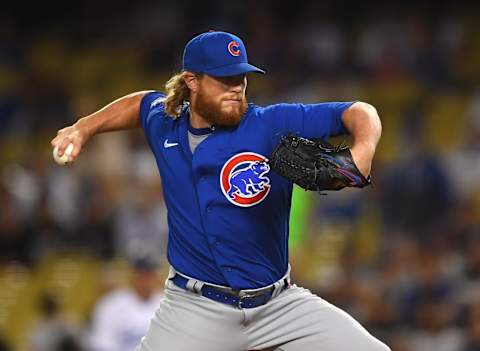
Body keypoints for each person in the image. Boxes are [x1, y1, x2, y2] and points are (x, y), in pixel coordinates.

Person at [51, 30, 388, 351]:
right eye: (224, 80)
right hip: (195, 307)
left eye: (240, 78)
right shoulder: (165, 124)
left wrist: (362, 155)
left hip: (278, 305)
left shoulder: (270, 124)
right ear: (192, 82)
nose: (236, 88)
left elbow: (360, 112)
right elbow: (140, 104)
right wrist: (83, 128)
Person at [88, 255, 163, 351]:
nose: (146, 280)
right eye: (142, 274)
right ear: (133, 276)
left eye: (150, 275)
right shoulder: (111, 304)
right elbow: (101, 345)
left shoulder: (168, 304)